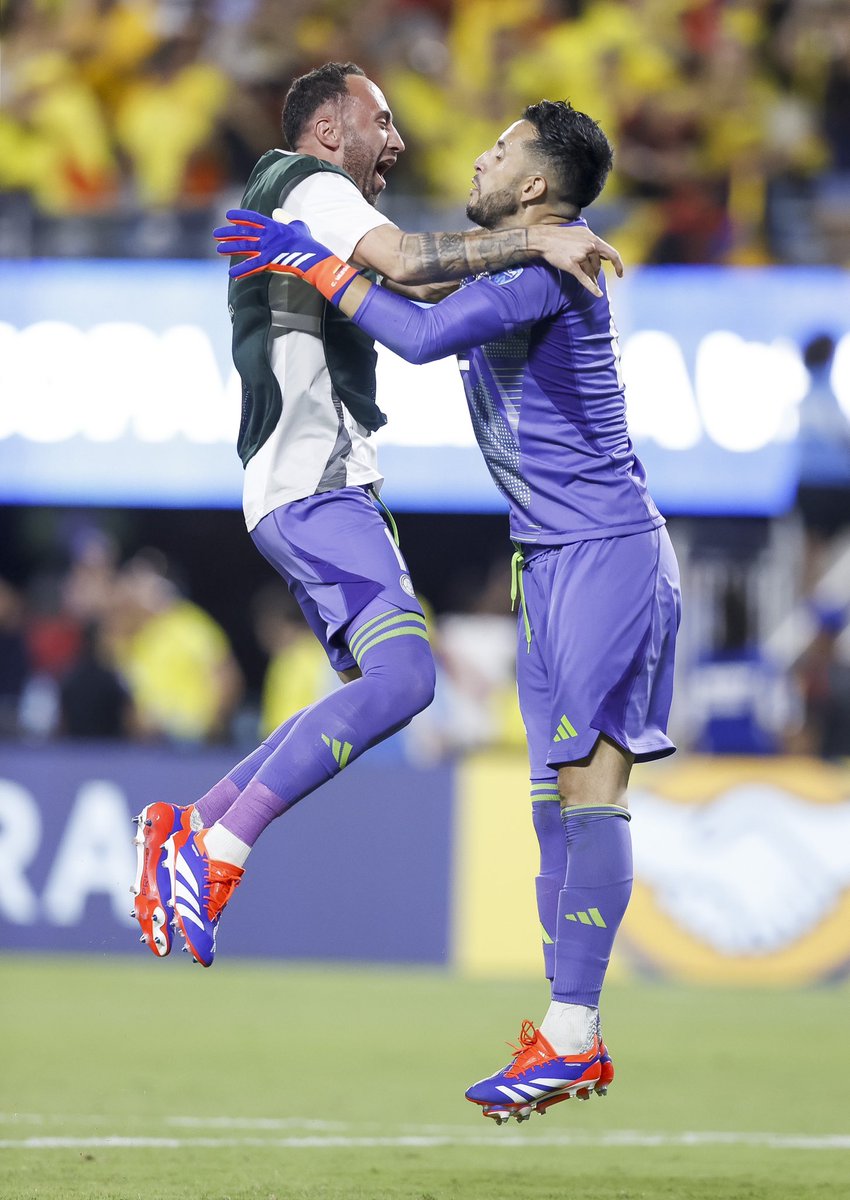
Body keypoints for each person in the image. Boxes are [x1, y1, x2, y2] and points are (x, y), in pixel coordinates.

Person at [216, 100, 681, 1124]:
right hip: (548, 561)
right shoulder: (515, 257)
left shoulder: (542, 274)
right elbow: (415, 274)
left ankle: (574, 1032)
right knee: (549, 803)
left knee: (589, 792)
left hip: (606, 551)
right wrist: (318, 254)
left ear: (531, 184)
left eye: (499, 148)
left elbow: (420, 335)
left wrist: (316, 264)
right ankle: (565, 1033)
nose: (475, 154)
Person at [131, 62, 621, 963]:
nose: (397, 140)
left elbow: (421, 295)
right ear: (328, 130)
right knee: (405, 681)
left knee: (384, 682)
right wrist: (536, 243)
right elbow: (410, 269)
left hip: (322, 481)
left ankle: (188, 829)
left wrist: (523, 247)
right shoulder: (309, 184)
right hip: (311, 478)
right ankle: (215, 851)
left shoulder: (310, 202)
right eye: (381, 121)